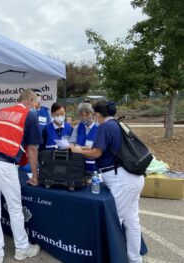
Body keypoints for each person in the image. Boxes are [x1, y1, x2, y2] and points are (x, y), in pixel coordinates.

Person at [70, 101, 144, 263]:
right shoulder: (118, 124)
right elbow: (103, 149)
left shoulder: (104, 127)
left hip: (121, 179)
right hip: (134, 177)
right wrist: (81, 149)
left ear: (97, 114)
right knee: (132, 222)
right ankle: (135, 259)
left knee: (114, 222)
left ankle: (114, 258)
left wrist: (77, 151)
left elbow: (96, 153)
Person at [0, 89, 42, 263]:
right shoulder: (29, 115)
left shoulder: (2, 112)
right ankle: (22, 249)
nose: (37, 106)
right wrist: (35, 176)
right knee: (15, 209)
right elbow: (32, 148)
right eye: (36, 102)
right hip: (5, 165)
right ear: (30, 99)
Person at [70, 102, 98, 174]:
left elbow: (95, 148)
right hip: (79, 164)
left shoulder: (99, 128)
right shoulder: (77, 128)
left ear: (93, 114)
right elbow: (72, 143)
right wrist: (73, 147)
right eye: (82, 115)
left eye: (87, 114)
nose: (84, 118)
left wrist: (80, 147)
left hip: (95, 166)